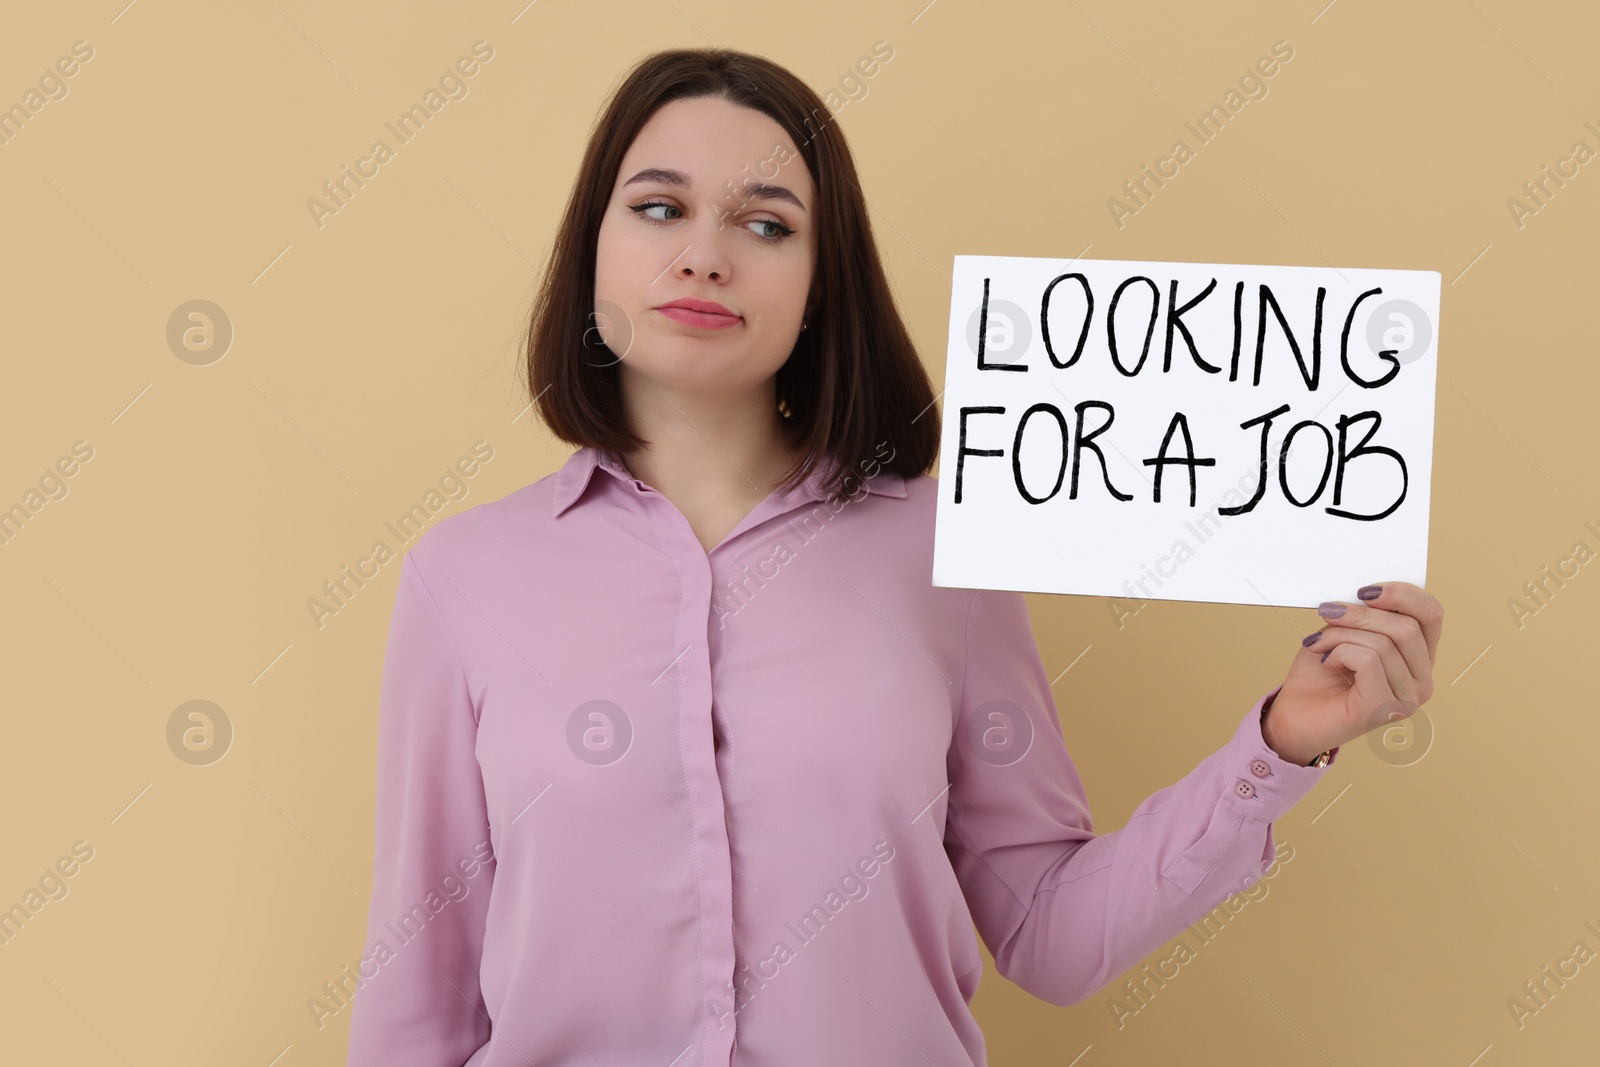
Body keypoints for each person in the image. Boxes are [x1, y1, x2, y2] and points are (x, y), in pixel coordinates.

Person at [345, 47, 1444, 1067]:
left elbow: (1049, 933)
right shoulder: (466, 577)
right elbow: (418, 999)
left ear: (824, 281)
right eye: (659, 207)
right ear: (595, 244)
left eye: (767, 223)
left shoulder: (947, 557)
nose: (704, 253)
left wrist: (1280, 745)